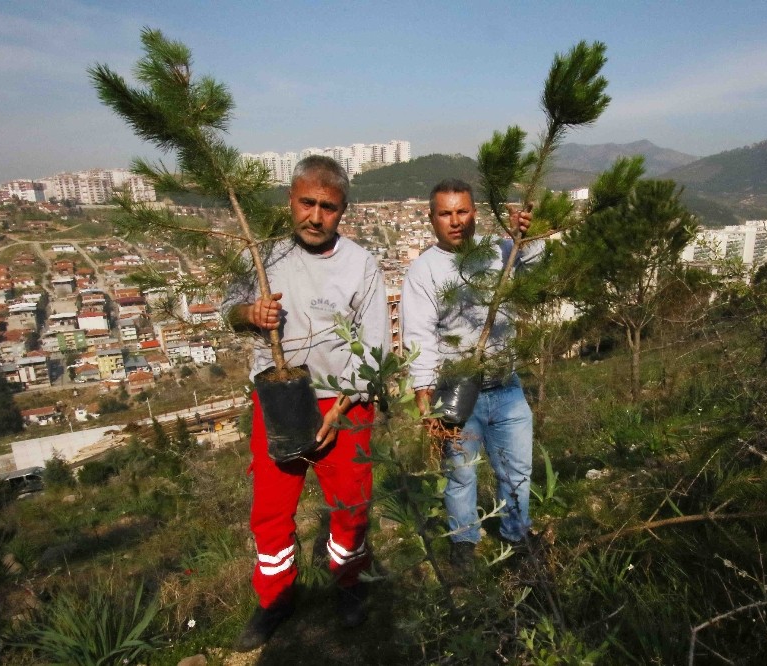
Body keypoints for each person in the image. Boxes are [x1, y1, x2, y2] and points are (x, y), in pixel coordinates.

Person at [222, 156, 389, 651]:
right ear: (290, 201)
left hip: (345, 402)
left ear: (343, 212)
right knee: (271, 509)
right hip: (279, 398)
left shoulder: (362, 265)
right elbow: (230, 312)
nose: (316, 216)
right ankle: (275, 598)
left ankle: (349, 582)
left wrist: (340, 410)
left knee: (351, 504)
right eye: (307, 203)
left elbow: (375, 346)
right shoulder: (263, 255)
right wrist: (250, 313)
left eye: (329, 207)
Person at [401, 179, 540, 571]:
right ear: (432, 219)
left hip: (507, 385)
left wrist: (527, 234)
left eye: (462, 211)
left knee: (517, 470)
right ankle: (464, 543)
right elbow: (419, 336)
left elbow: (537, 264)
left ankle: (517, 536)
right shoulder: (424, 271)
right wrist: (423, 391)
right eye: (445, 213)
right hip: (457, 390)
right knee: (460, 473)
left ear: (474, 213)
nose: (455, 221)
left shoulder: (498, 252)